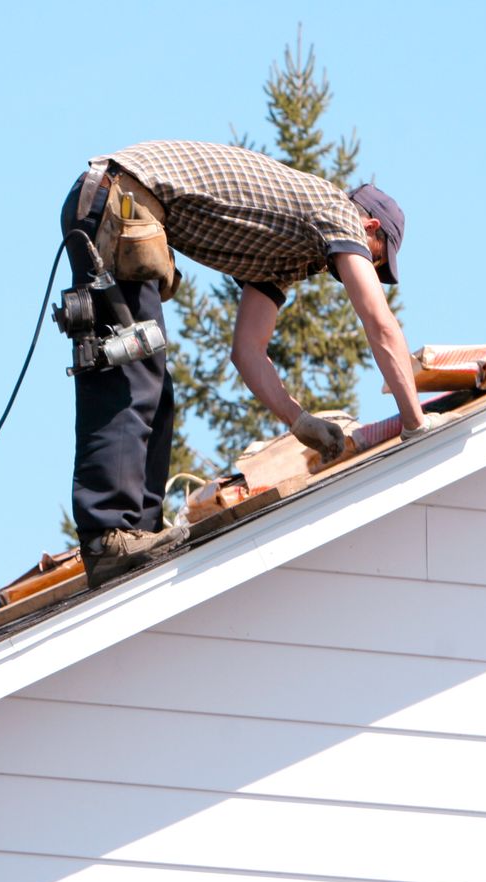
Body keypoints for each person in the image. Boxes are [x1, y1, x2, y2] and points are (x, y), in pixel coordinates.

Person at [60, 139, 441, 586]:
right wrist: (415, 424)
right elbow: (379, 323)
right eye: (374, 258)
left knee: (153, 385)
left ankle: (136, 534)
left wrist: (299, 421)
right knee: (130, 369)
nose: (367, 270)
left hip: (122, 203)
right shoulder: (337, 212)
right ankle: (109, 538)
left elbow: (247, 351)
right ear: (369, 227)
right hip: (119, 199)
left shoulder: (285, 257)